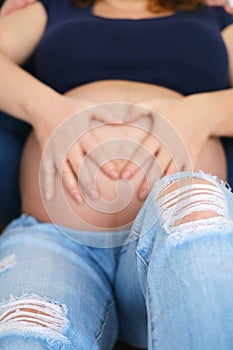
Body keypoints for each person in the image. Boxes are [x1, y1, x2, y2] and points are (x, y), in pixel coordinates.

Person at [1, 0, 233, 349]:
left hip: (173, 235)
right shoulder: (51, 8)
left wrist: (205, 112)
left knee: (195, 214)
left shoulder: (215, 18)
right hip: (55, 239)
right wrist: (43, 106)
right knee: (28, 330)